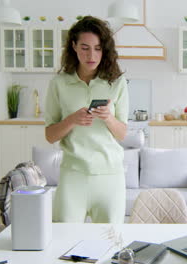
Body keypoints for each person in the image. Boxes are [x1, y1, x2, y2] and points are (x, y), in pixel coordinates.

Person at [45, 16, 128, 223]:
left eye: (98, 48)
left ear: (105, 50)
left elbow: (122, 134)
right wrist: (72, 119)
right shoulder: (59, 84)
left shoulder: (116, 82)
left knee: (111, 243)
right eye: (85, 48)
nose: (91, 55)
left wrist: (108, 118)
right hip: (73, 175)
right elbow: (50, 135)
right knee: (63, 243)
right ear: (73, 46)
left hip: (110, 177)